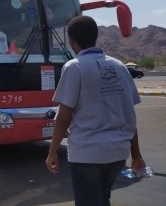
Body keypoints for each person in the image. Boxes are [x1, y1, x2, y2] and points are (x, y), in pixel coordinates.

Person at [45, 15, 148, 206]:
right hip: (117, 154)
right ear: (95, 36)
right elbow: (129, 115)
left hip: (87, 155)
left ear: (72, 41)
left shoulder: (74, 67)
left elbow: (63, 117)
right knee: (102, 199)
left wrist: (52, 153)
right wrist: (136, 154)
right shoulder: (119, 66)